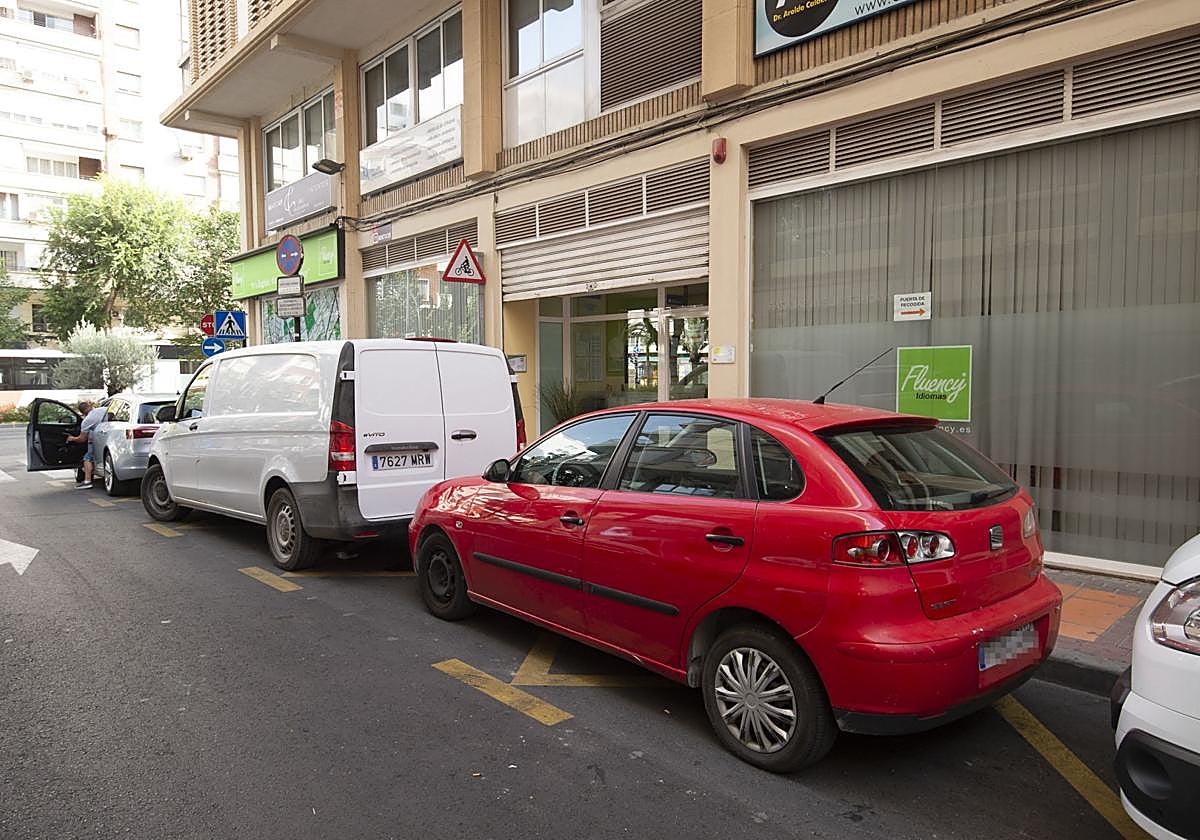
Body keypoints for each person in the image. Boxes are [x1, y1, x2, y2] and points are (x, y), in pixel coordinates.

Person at [66, 400, 107, 489]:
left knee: (87, 458)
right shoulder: (103, 409)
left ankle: (87, 481)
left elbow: (82, 439)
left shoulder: (87, 420)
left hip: (97, 440)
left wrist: (72, 438)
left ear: (82, 413)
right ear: (90, 406)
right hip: (110, 437)